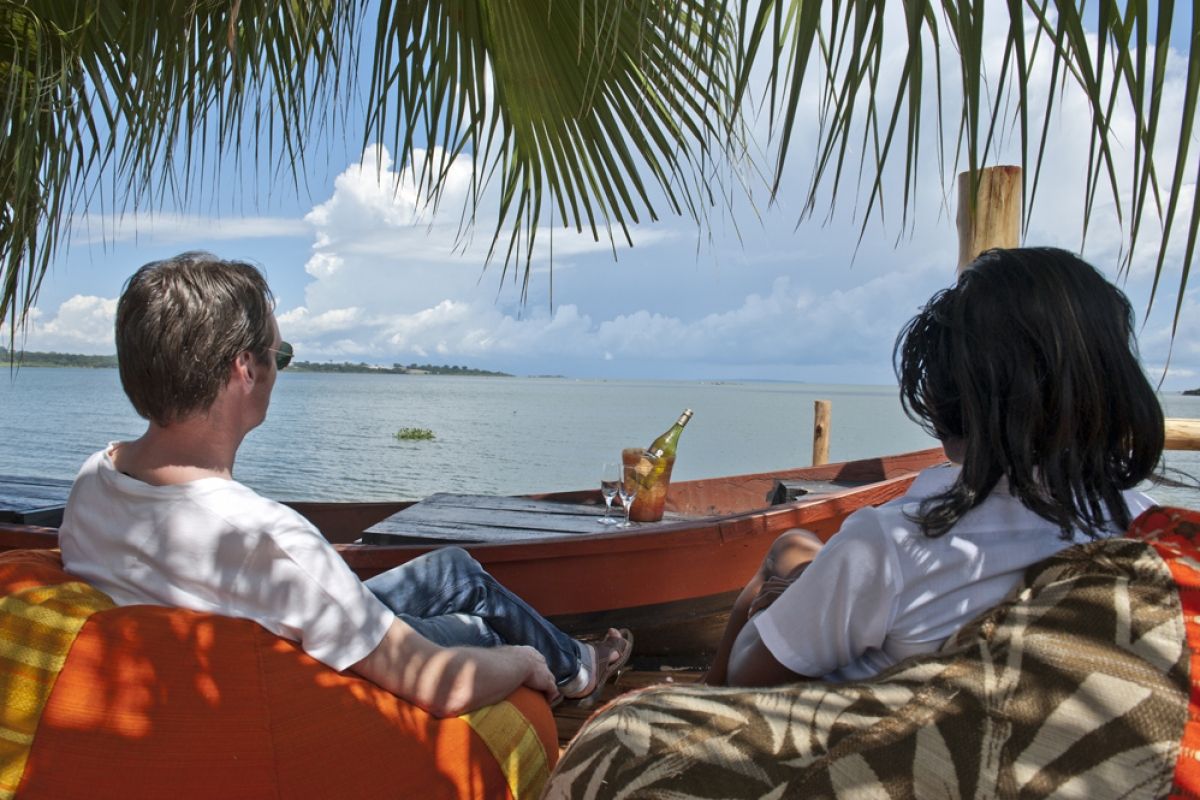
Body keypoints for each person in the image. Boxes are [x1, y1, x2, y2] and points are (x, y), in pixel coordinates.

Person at [58, 252, 631, 717]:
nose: (280, 369)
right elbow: (437, 685)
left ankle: (578, 662)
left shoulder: (95, 477)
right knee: (477, 630)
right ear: (245, 370)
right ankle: (572, 670)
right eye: (281, 354)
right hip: (299, 669)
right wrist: (524, 661)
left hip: (221, 632)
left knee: (454, 570)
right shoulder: (265, 538)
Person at [706, 247, 1164, 687]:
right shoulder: (1151, 534)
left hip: (871, 732)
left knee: (789, 552)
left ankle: (697, 694)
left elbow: (746, 675)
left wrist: (787, 597)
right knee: (795, 547)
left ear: (954, 395)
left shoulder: (895, 546)